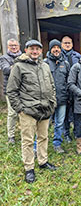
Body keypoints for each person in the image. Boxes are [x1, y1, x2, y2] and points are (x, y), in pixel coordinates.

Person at [7, 40, 57, 183]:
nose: (34, 51)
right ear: (26, 50)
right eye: (32, 49)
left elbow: (52, 86)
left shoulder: (45, 66)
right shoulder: (18, 67)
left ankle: (42, 161)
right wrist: (20, 109)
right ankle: (29, 168)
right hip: (28, 110)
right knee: (28, 141)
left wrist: (53, 102)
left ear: (41, 51)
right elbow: (11, 90)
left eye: (37, 49)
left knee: (43, 137)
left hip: (45, 109)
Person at [44, 39, 70, 153]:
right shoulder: (44, 63)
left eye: (58, 47)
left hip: (62, 99)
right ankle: (38, 146)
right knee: (44, 124)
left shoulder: (65, 63)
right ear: (50, 49)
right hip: (48, 100)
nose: (56, 49)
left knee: (59, 124)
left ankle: (57, 144)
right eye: (54, 47)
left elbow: (69, 81)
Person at [0, 38, 22, 144]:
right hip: (10, 90)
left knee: (24, 112)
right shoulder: (4, 58)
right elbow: (6, 70)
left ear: (19, 46)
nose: (14, 47)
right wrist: (19, 67)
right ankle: (11, 136)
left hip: (23, 89)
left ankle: (24, 133)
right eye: (11, 46)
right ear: (8, 47)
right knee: (12, 113)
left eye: (15, 45)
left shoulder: (23, 56)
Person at [61, 36, 81, 142]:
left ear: (72, 44)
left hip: (75, 88)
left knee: (76, 111)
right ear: (61, 44)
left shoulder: (77, 56)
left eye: (69, 43)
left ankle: (76, 131)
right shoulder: (58, 56)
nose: (67, 45)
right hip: (64, 88)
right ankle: (66, 133)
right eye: (65, 43)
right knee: (65, 112)